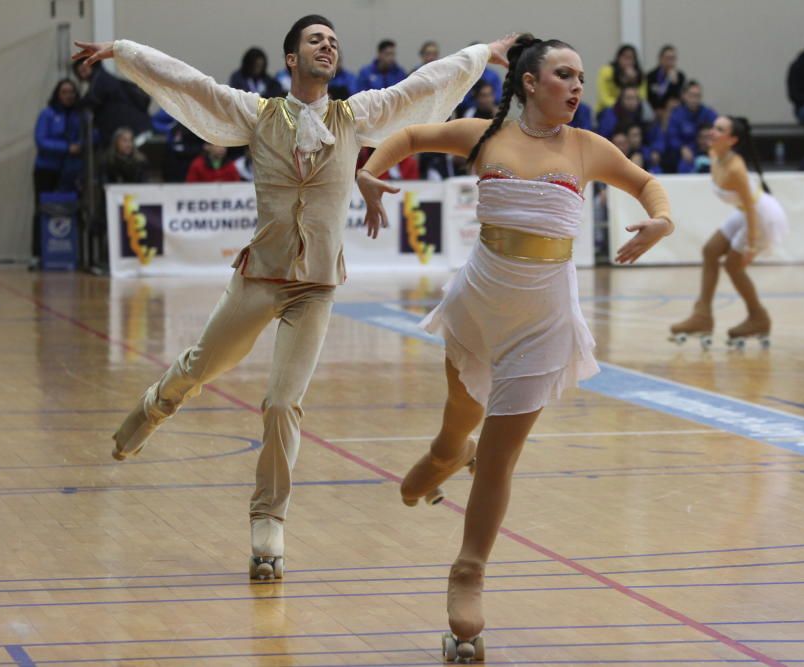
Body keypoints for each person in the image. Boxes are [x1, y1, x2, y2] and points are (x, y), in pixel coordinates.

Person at [73, 16, 514, 580]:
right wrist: (125, 51)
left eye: (332, 41)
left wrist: (481, 52)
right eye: (315, 40)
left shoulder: (354, 115)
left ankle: (268, 522)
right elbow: (190, 83)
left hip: (317, 287)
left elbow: (422, 86)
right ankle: (159, 402)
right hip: (259, 277)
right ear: (291, 58)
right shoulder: (257, 115)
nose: (327, 45)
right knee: (198, 367)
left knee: (283, 403)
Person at [355, 34, 672, 660]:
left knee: (499, 459)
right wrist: (368, 172)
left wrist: (662, 220)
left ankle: (469, 570)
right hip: (478, 306)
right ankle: (448, 453)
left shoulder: (588, 148)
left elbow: (647, 183)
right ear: (530, 81)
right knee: (460, 422)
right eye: (564, 74)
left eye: (582, 76)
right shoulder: (486, 134)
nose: (577, 86)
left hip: (543, 323)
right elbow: (415, 136)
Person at [669, 116, 787, 350]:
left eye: (720, 129)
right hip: (747, 211)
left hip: (762, 217)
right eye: (713, 126)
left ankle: (758, 318)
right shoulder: (714, 155)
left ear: (732, 140)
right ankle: (702, 316)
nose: (712, 132)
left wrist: (752, 246)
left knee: (733, 265)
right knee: (710, 250)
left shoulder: (736, 168)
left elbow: (752, 210)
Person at [32, 79, 84, 268]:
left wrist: (79, 147)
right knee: (41, 210)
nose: (68, 95)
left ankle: (71, 253)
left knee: (72, 210)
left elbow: (87, 137)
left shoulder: (80, 115)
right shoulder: (47, 114)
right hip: (47, 169)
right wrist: (66, 148)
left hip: (71, 170)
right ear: (57, 94)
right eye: (64, 91)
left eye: (71, 92)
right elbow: (41, 141)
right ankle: (38, 254)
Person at [72, 58, 152, 147]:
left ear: (92, 66)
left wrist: (76, 104)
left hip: (130, 131)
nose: (82, 74)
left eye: (84, 69)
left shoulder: (100, 79)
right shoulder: (103, 78)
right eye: (80, 72)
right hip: (137, 127)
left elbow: (92, 100)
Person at [665, 80, 717, 172]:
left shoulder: (708, 113)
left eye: (697, 96)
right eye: (691, 95)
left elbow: (718, 131)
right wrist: (681, 148)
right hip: (684, 154)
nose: (694, 99)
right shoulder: (677, 114)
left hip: (707, 151)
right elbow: (672, 136)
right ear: (684, 96)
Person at [596, 44, 646, 114]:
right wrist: (620, 106)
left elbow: (642, 96)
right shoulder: (606, 71)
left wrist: (633, 81)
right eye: (625, 58)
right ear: (618, 58)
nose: (628, 62)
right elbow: (603, 97)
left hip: (632, 108)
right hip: (609, 108)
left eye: (631, 58)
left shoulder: (638, 74)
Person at [646, 44, 686, 111]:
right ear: (660, 59)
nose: (670, 62)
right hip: (654, 110)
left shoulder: (680, 76)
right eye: (668, 58)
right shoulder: (651, 76)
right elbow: (650, 97)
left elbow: (677, 98)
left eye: (673, 58)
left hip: (672, 110)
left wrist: (674, 84)